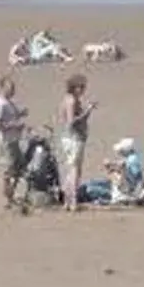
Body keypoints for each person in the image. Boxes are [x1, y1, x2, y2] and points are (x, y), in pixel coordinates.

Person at [0, 76, 30, 209]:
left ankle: (11, 194)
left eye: (13, 88)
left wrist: (20, 114)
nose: (13, 91)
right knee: (8, 171)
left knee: (20, 168)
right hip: (6, 142)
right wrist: (15, 125)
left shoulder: (9, 102)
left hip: (14, 141)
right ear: (3, 88)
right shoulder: (0, 104)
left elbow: (11, 116)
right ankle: (7, 199)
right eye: (10, 88)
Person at [59, 74, 94, 211]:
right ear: (75, 88)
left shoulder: (68, 99)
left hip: (70, 138)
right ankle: (73, 202)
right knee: (74, 170)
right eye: (81, 87)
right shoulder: (72, 101)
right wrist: (87, 111)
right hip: (74, 138)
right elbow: (71, 122)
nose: (83, 90)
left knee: (71, 169)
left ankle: (67, 202)